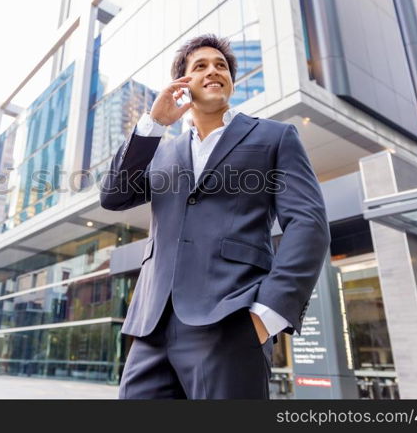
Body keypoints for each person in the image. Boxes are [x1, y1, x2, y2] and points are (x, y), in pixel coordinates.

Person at [100, 34, 330, 399]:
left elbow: (309, 225)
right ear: (183, 85)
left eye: (221, 66)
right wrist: (153, 124)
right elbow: (113, 196)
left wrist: (267, 315)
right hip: (151, 328)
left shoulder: (274, 137)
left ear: (231, 81)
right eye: (201, 66)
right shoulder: (161, 153)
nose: (213, 71)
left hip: (231, 322)